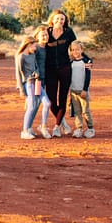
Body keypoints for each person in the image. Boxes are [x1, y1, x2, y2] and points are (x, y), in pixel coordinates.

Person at [44, 9, 76, 137]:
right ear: (52, 20)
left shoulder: (69, 32)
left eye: (62, 19)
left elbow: (76, 48)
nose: (59, 21)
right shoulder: (46, 32)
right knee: (51, 100)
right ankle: (63, 122)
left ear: (65, 21)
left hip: (65, 69)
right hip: (49, 69)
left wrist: (86, 61)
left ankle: (56, 127)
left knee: (62, 99)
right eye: (57, 19)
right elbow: (38, 47)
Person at [14, 34, 43, 139]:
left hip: (37, 82)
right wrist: (21, 89)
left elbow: (36, 67)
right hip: (28, 83)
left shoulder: (33, 55)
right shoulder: (20, 56)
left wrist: (37, 73)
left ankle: (29, 128)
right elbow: (18, 73)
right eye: (34, 46)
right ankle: (25, 131)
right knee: (31, 106)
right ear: (29, 45)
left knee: (36, 103)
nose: (35, 49)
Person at [67, 41, 94, 138]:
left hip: (82, 91)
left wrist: (85, 89)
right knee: (77, 111)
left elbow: (87, 77)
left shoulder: (86, 62)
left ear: (82, 50)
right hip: (73, 91)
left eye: (77, 49)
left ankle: (90, 128)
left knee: (85, 111)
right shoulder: (71, 62)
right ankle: (79, 128)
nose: (75, 52)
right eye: (73, 50)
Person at [32, 26, 53, 138]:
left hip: (46, 80)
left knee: (37, 103)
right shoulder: (35, 48)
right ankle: (42, 127)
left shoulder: (48, 48)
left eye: (46, 35)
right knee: (43, 103)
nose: (45, 37)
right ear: (37, 37)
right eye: (43, 35)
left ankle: (30, 128)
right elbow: (30, 63)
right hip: (37, 81)